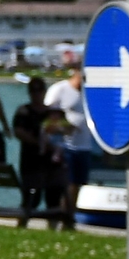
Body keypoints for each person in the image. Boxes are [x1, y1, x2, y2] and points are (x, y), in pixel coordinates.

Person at [45, 63, 91, 222]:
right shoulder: (60, 89)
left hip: (84, 144)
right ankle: (62, 215)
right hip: (65, 145)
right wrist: (65, 126)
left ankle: (69, 215)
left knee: (78, 183)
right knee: (67, 182)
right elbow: (47, 116)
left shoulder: (89, 92)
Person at [10, 76, 55, 225]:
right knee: (31, 198)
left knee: (52, 196)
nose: (36, 94)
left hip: (49, 162)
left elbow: (65, 130)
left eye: (39, 91)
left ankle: (53, 227)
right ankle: (22, 223)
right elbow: (18, 131)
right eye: (33, 91)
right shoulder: (23, 111)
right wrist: (38, 142)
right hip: (30, 161)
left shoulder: (52, 113)